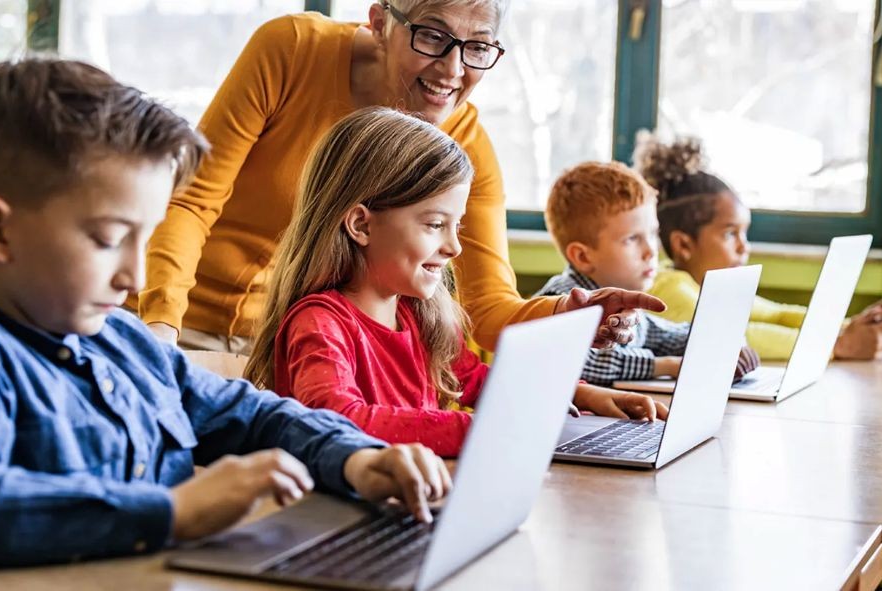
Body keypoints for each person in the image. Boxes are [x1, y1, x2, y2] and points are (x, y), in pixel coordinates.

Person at [0, 58, 449, 568]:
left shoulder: (124, 340)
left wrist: (356, 459)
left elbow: (252, 415)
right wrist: (171, 512)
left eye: (146, 239)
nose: (135, 279)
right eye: (108, 239)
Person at [134, 0, 664, 356]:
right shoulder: (291, 50)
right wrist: (159, 328)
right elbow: (190, 202)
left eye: (478, 47)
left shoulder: (467, 147)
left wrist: (569, 314)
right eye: (432, 35)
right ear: (380, 22)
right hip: (178, 326)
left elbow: (486, 307)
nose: (453, 70)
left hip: (298, 351)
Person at [245, 108, 666, 457]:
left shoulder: (416, 314)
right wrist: (480, 431)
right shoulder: (320, 323)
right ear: (361, 224)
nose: (454, 247)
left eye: (457, 226)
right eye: (434, 224)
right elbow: (335, 420)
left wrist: (579, 395)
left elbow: (478, 380)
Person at [633, 135, 882, 360]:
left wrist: (849, 326)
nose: (744, 247)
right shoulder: (668, 289)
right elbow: (733, 338)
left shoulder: (710, 286)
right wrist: (839, 345)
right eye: (730, 234)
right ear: (683, 244)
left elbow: (777, 315)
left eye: (744, 233)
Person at [535, 161, 760, 386]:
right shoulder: (560, 301)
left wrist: (725, 343)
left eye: (652, 234)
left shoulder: (627, 307)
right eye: (632, 239)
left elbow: (668, 336)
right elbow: (581, 361)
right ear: (583, 257)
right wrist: (668, 366)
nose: (651, 251)